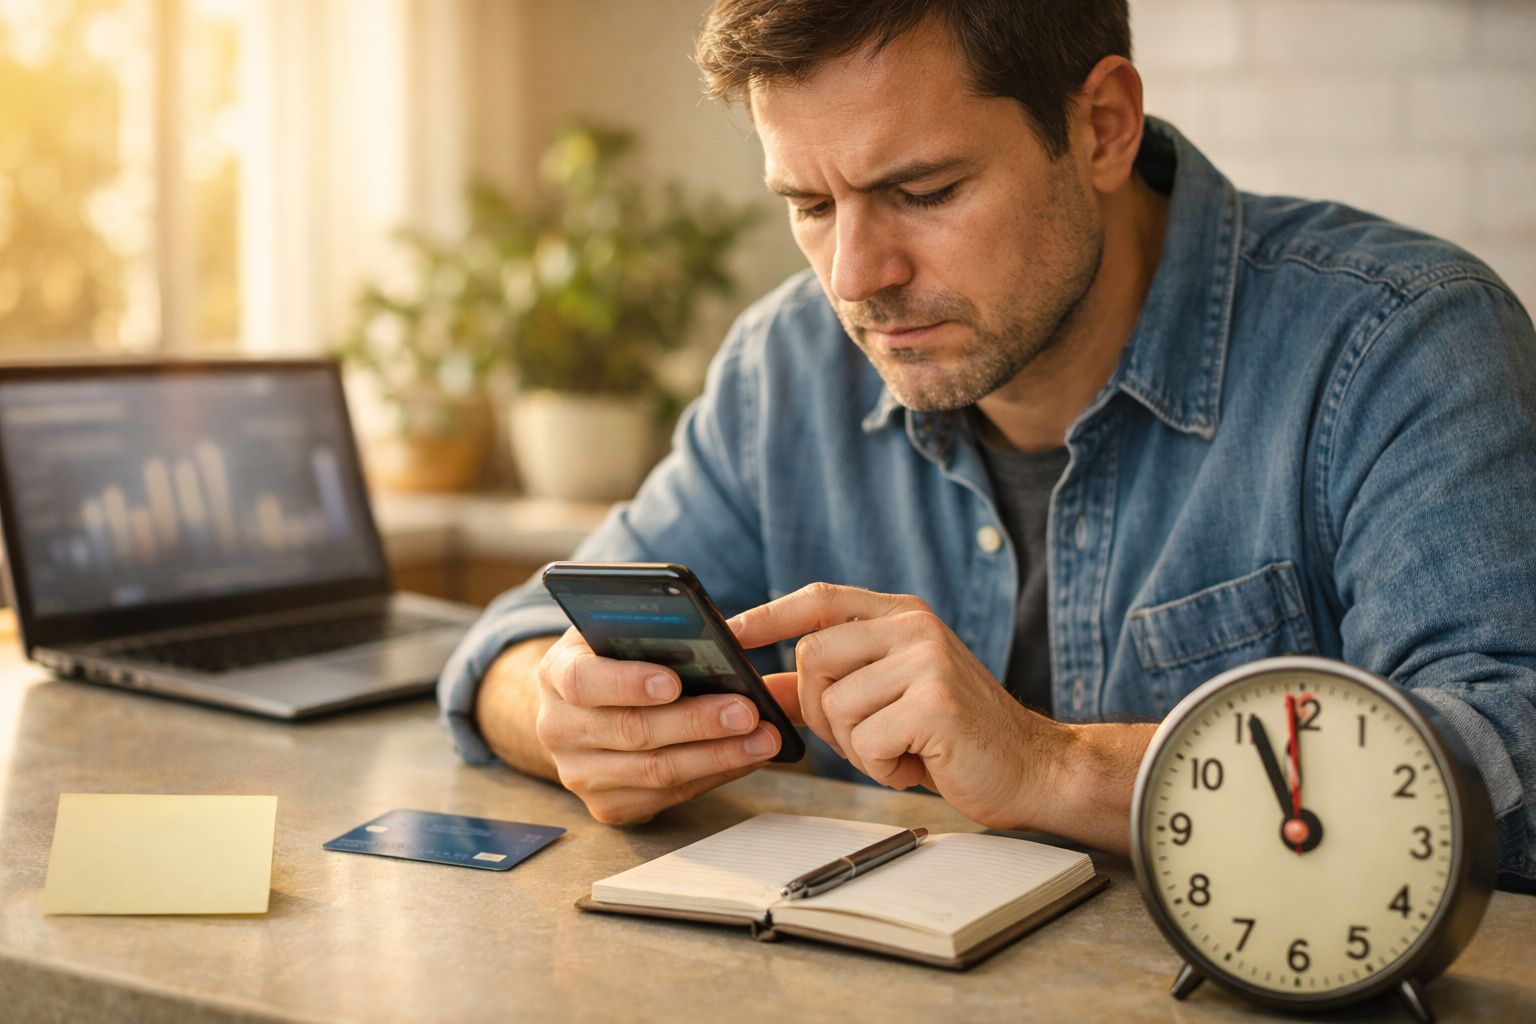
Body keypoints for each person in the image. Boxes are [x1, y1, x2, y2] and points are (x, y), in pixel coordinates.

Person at [439, 1, 1536, 889]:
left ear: (1102, 125)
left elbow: (1506, 764)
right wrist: (571, 713)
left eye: (922, 191)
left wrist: (1049, 762)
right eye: (810, 204)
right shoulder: (784, 370)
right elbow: (509, 646)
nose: (855, 277)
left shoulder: (1402, 343)